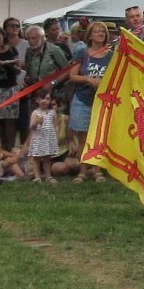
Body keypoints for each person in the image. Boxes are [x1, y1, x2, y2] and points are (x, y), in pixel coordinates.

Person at [66, 20, 115, 181]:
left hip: (102, 101)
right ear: (90, 35)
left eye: (103, 31)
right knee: (83, 137)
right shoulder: (82, 52)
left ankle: (98, 170)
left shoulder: (111, 55)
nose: (100, 34)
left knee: (99, 137)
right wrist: (88, 79)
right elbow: (72, 76)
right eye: (96, 31)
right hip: (82, 99)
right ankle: (82, 171)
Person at [0, 25, 23, 152]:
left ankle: (10, 148)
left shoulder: (11, 50)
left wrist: (10, 65)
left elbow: (19, 69)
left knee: (10, 120)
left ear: (3, 35)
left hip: (11, 88)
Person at [25, 90, 60, 183]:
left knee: (47, 158)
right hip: (38, 138)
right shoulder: (35, 113)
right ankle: (37, 177)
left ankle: (48, 176)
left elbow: (55, 125)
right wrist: (37, 122)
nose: (45, 101)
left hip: (48, 139)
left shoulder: (52, 112)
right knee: (36, 159)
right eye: (42, 98)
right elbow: (31, 127)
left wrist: (56, 137)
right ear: (37, 100)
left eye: (47, 99)